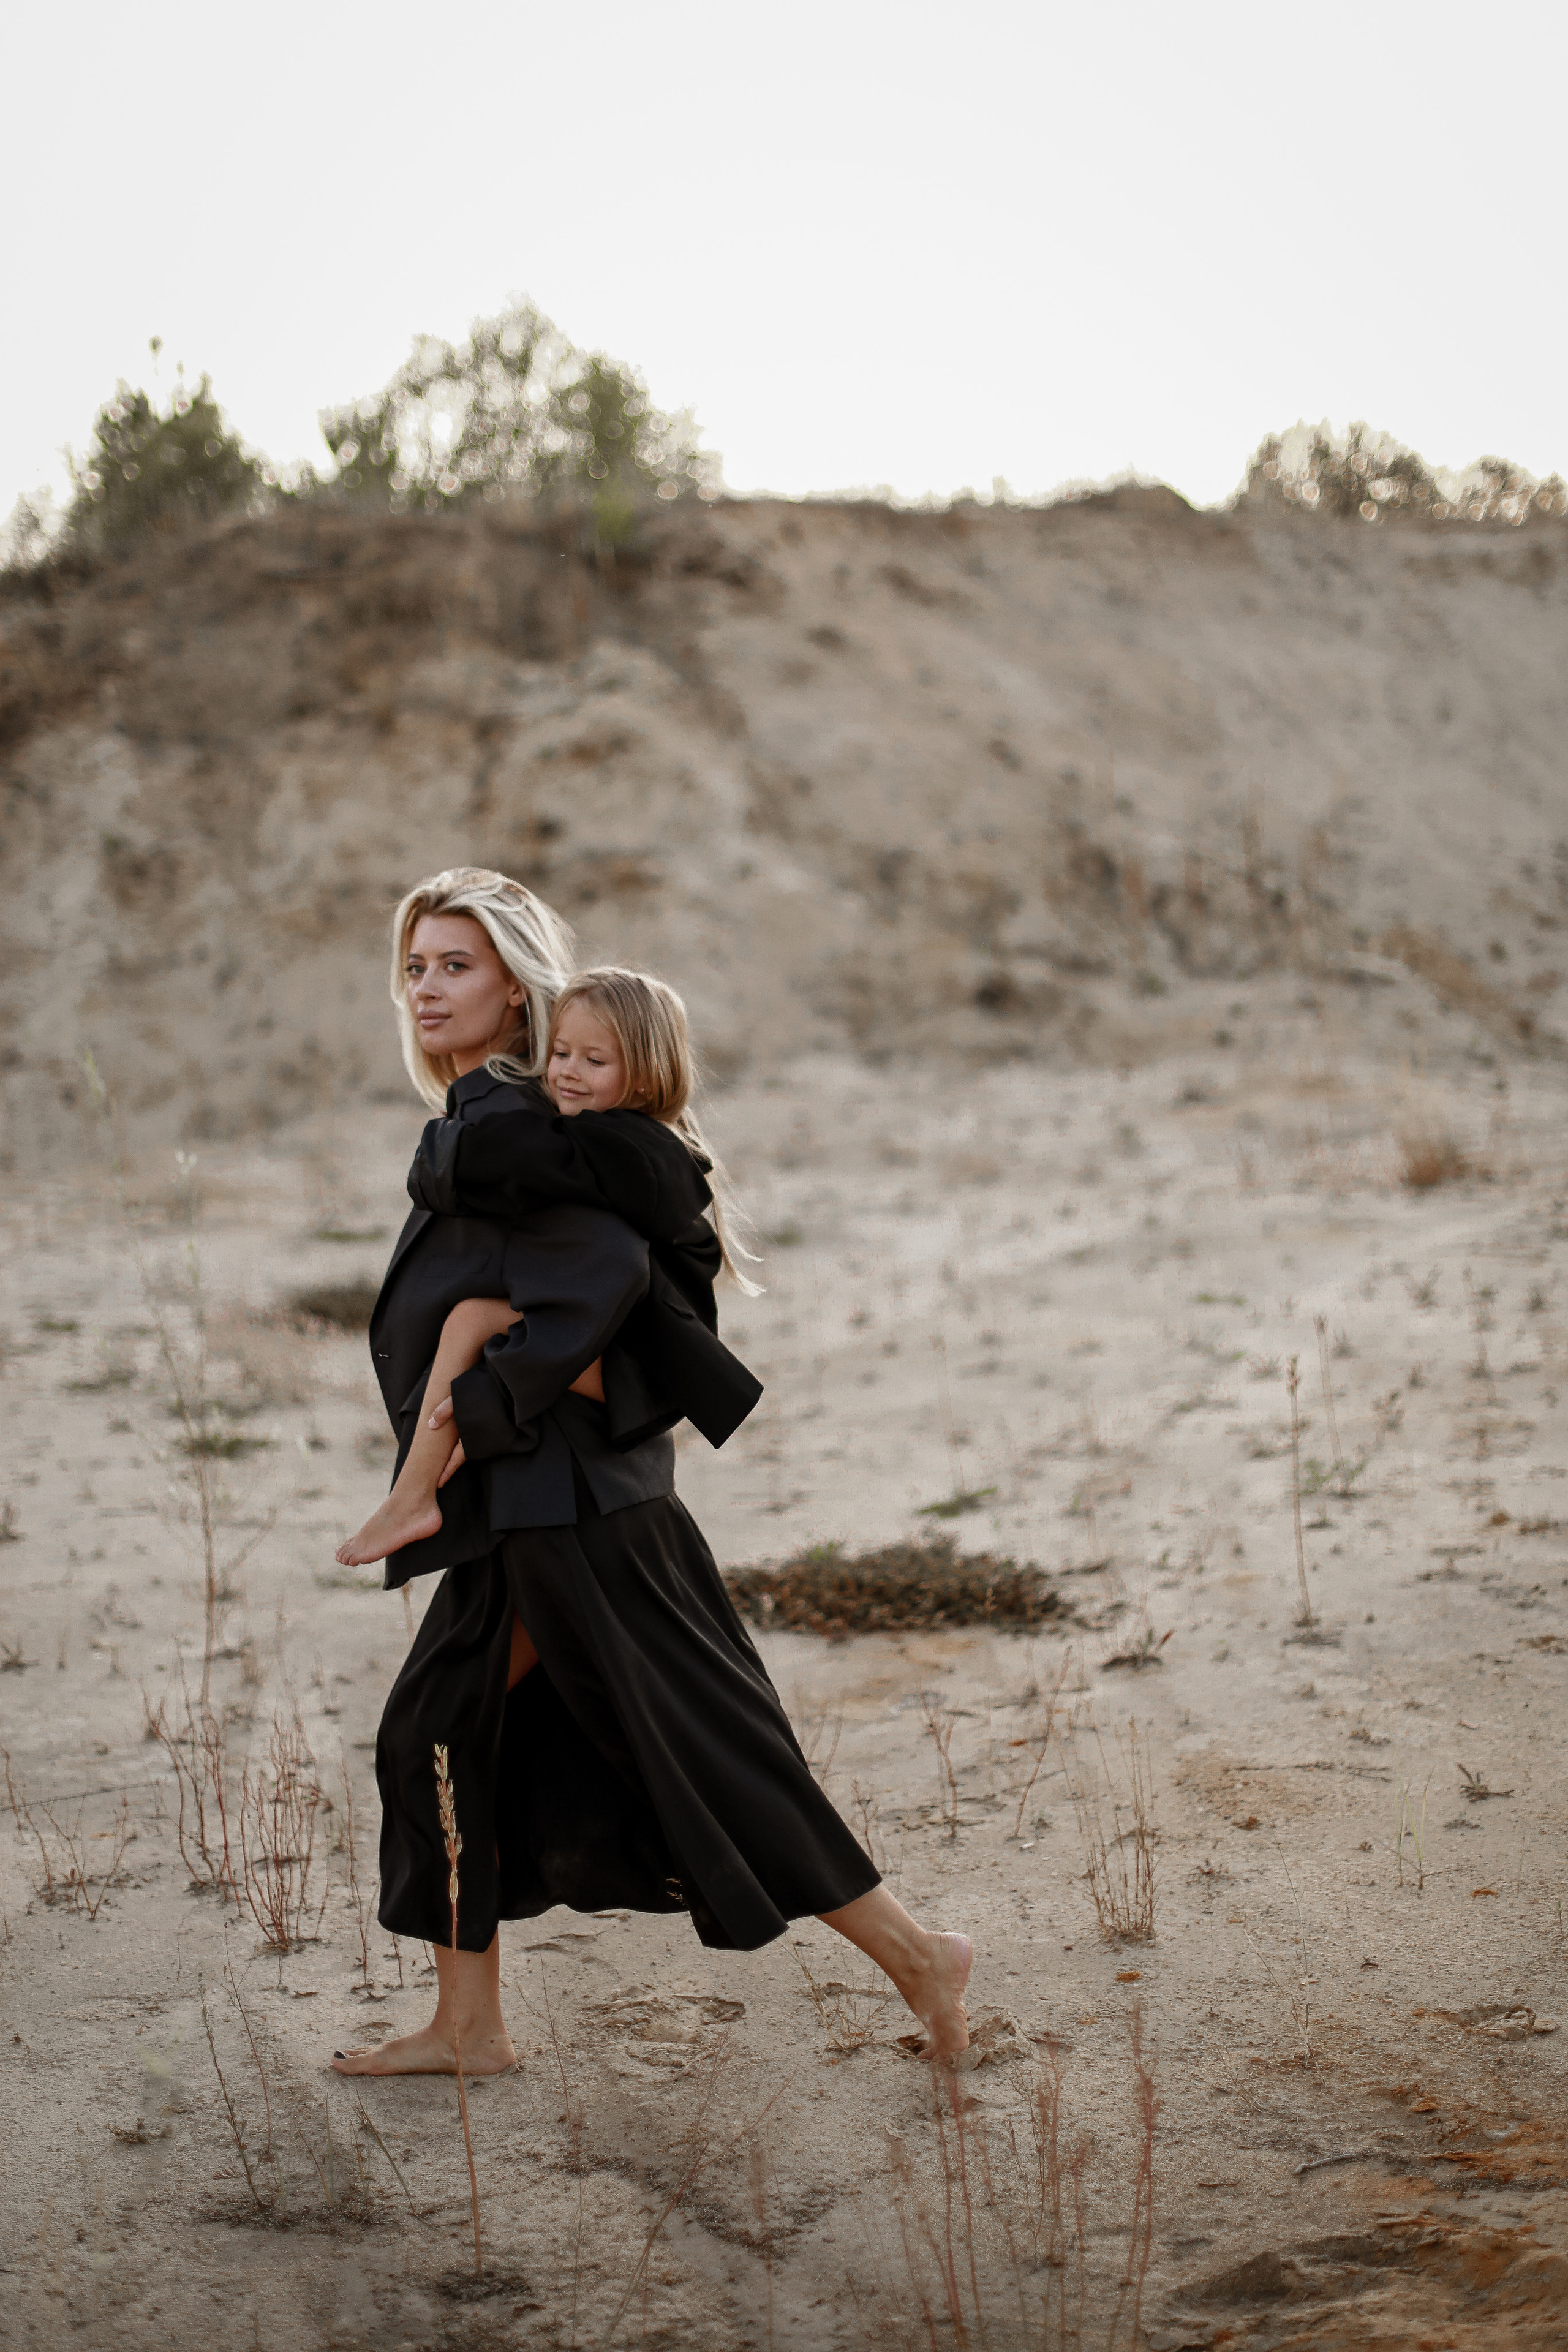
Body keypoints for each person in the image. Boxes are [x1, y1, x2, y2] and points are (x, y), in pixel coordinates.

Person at [331, 881, 973, 2076]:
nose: (425, 988)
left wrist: (470, 1401)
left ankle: (921, 1955)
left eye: (455, 967)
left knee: (707, 1750)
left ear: (511, 986)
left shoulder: (526, 1126)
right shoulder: (501, 1118)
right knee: (437, 1730)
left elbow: (614, 1276)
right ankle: (468, 2030)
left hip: (580, 1512)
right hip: (525, 1503)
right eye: (414, 967)